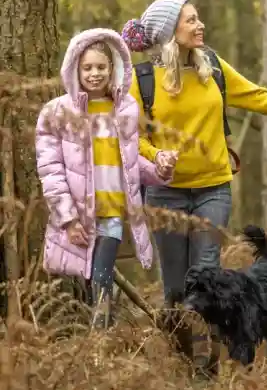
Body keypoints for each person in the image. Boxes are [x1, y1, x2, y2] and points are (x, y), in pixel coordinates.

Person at [120, 0, 267, 373]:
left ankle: (209, 368)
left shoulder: (215, 69)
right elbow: (129, 134)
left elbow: (266, 100)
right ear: (169, 31)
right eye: (190, 20)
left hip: (213, 189)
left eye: (198, 16)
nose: (199, 25)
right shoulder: (141, 79)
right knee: (175, 289)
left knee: (209, 279)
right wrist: (156, 155)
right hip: (163, 194)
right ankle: (183, 360)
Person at [35, 28, 177, 329]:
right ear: (75, 68)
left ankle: (100, 344)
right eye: (87, 67)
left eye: (101, 67)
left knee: (101, 274)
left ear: (113, 68)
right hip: (80, 213)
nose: (94, 74)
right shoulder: (56, 112)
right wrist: (68, 220)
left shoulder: (125, 109)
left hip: (112, 210)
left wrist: (159, 171)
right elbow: (51, 170)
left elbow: (128, 162)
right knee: (86, 281)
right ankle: (93, 348)